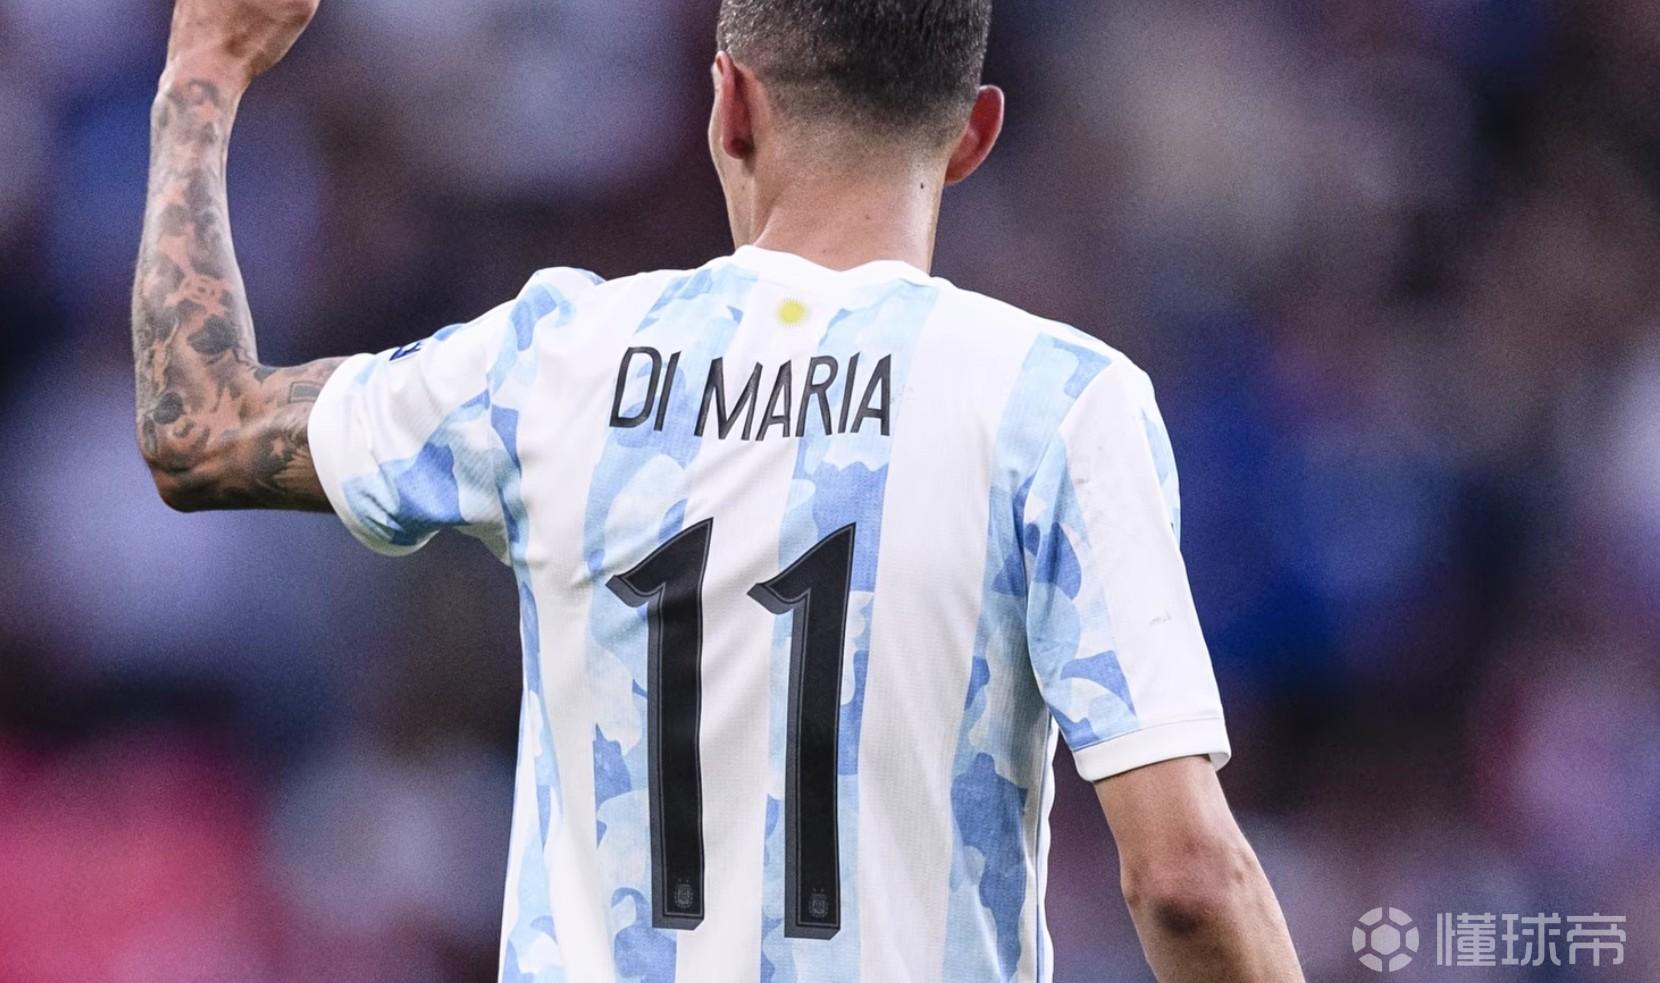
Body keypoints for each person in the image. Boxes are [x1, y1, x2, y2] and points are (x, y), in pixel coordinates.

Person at [130, 0, 1304, 980]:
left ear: (728, 104)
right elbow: (1187, 880)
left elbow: (199, 429)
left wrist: (203, 75)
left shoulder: (556, 360)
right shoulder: (1055, 402)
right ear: (972, 134)